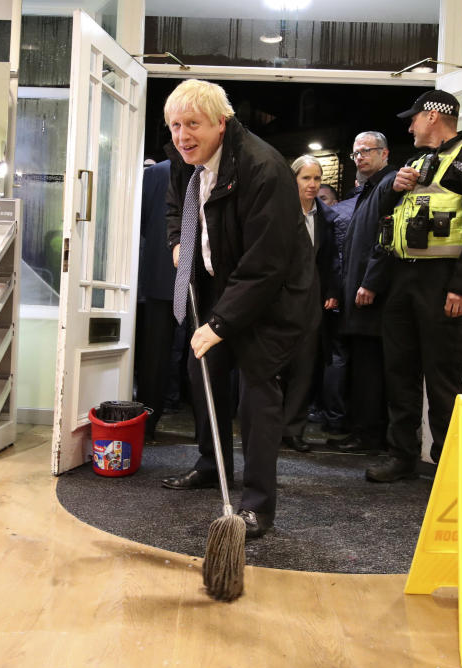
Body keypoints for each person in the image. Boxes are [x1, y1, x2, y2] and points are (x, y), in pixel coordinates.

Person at [159, 79, 318, 539]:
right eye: (175, 125)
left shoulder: (263, 169)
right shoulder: (183, 158)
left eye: (193, 124)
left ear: (221, 123)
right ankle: (212, 464)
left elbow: (266, 265)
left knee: (256, 390)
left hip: (272, 294)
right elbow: (178, 205)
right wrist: (177, 241)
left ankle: (257, 504)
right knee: (201, 371)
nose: (182, 135)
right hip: (218, 279)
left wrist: (221, 323)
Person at [366, 90, 462, 483]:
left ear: (434, 116)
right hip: (403, 278)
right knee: (400, 372)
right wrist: (393, 189)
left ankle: (449, 465)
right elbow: (387, 219)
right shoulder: (416, 162)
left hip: (443, 281)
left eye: (414, 118)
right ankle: (402, 456)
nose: (409, 126)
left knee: (443, 378)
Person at [331, 132, 396, 455]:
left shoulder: (390, 184)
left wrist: (370, 282)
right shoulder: (369, 189)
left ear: (384, 153)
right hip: (356, 293)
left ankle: (370, 436)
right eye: (355, 153)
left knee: (371, 369)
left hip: (374, 297)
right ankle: (363, 431)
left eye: (367, 151)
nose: (360, 157)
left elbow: (386, 238)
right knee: (361, 367)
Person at [279, 155, 338, 452]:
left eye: (317, 178)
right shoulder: (278, 212)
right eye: (306, 178)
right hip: (279, 298)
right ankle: (268, 426)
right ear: (294, 179)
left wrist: (330, 290)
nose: (313, 184)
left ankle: (293, 430)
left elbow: (329, 260)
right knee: (274, 366)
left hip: (312, 301)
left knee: (304, 367)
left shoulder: (326, 217)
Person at [135, 159, 175, 440]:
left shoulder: (157, 173)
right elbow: (144, 222)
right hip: (165, 272)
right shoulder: (159, 173)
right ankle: (148, 422)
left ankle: (149, 424)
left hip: (170, 272)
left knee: (157, 355)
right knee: (156, 356)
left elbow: (143, 222)